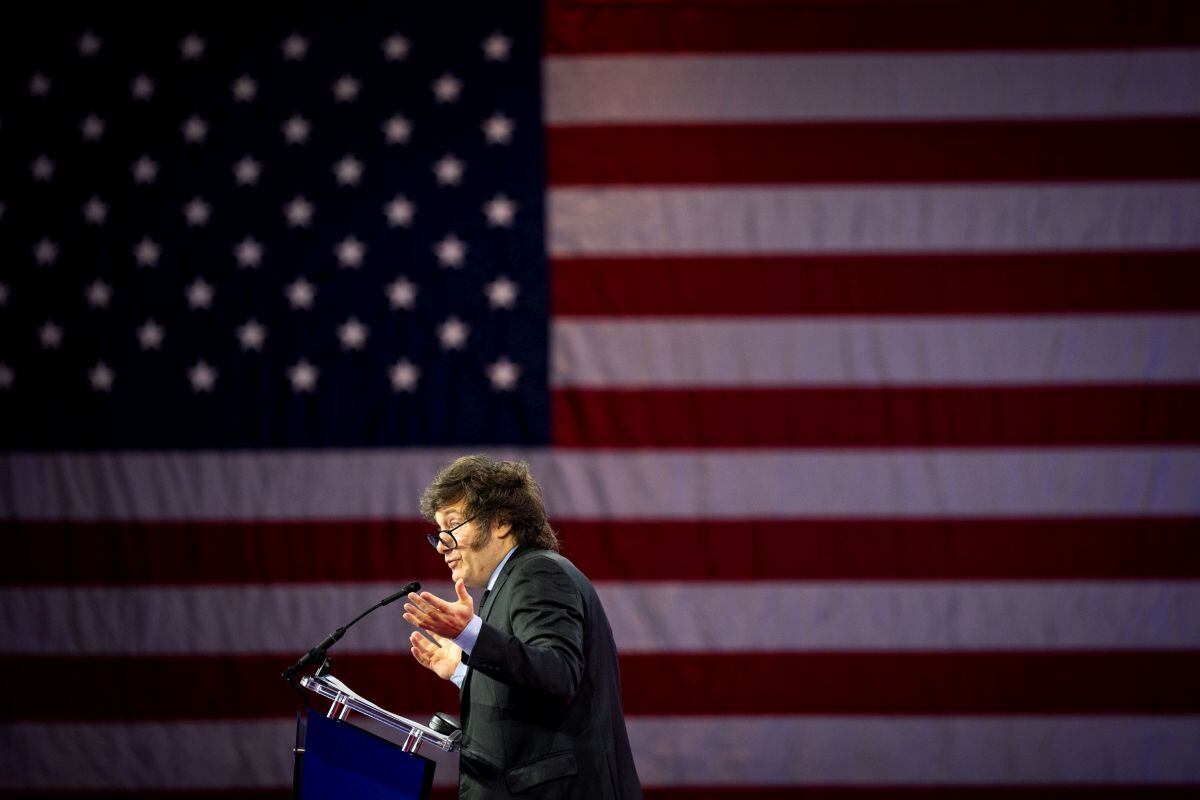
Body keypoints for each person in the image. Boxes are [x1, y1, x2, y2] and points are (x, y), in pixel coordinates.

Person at [403, 455, 643, 799]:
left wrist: (470, 634)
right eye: (438, 532)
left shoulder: (537, 573)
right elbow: (529, 681)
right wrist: (464, 672)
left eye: (452, 525)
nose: (441, 545)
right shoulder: (508, 584)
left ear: (501, 522)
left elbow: (558, 672)